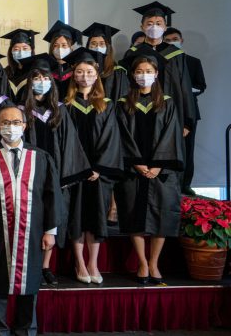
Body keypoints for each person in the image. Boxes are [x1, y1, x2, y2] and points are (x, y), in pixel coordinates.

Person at [0, 103, 60, 336]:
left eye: (16, 122)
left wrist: (51, 230)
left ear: (24, 126)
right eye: (5, 122)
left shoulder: (41, 157)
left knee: (29, 286)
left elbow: (52, 195)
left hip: (32, 232)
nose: (10, 127)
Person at [20, 54, 92, 287]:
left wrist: (65, 177)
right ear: (29, 81)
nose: (41, 81)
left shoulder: (59, 110)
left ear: (52, 81)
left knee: (52, 219)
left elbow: (71, 143)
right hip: (27, 175)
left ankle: (45, 266)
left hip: (55, 176)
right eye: (36, 77)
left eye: (45, 77)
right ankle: (29, 263)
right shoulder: (19, 110)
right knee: (29, 221)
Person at [115, 54, 184, 285]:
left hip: (160, 170)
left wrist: (157, 165)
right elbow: (122, 135)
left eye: (148, 71)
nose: (144, 75)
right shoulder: (124, 103)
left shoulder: (168, 102)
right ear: (133, 75)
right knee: (134, 215)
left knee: (161, 216)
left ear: (156, 74)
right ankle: (142, 263)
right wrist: (137, 163)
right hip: (134, 169)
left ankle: (154, 262)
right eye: (139, 71)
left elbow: (172, 135)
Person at [62, 49, 124, 284]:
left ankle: (93, 263)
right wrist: (78, 169)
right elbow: (65, 141)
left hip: (98, 173)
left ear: (96, 74)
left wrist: (98, 168)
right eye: (80, 71)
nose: (84, 76)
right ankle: (79, 262)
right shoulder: (66, 105)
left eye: (89, 72)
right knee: (76, 217)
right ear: (73, 75)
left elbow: (111, 139)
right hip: (74, 172)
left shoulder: (105, 105)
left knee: (95, 217)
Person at [122, 2, 197, 145]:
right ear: (142, 27)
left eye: (158, 23)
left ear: (165, 27)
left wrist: (187, 121)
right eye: (149, 23)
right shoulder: (132, 53)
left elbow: (185, 88)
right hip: (139, 111)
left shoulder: (176, 54)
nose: (154, 27)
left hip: (170, 113)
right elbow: (126, 85)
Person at [163, 27, 205, 191]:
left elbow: (201, 86)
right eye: (168, 40)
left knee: (188, 148)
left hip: (189, 110)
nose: (172, 42)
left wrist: (184, 90)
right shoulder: (162, 59)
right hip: (167, 109)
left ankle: (186, 184)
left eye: (175, 39)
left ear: (181, 40)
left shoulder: (193, 61)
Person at [82, 22, 128, 105]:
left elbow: (122, 101)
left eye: (101, 44)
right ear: (88, 46)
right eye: (93, 43)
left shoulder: (118, 72)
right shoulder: (82, 72)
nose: (97, 47)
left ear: (108, 47)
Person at [42, 21, 82, 99]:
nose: (60, 49)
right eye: (56, 45)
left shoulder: (77, 69)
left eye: (64, 45)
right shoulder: (46, 69)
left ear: (71, 48)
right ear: (52, 48)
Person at [2, 28, 38, 100]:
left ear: (31, 50)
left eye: (25, 48)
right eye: (16, 49)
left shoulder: (37, 71)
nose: (21, 52)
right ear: (11, 52)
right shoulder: (5, 72)